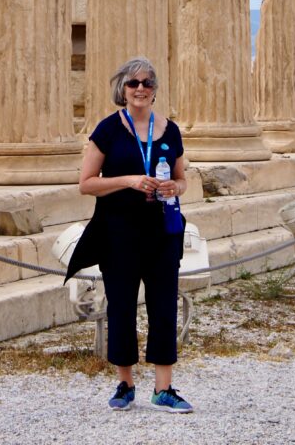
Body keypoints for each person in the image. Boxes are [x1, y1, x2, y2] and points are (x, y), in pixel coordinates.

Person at [66, 56, 193, 413]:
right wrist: (129, 181)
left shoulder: (169, 130)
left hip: (162, 231)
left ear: (155, 91)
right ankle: (125, 382)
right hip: (118, 231)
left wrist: (174, 187)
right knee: (122, 305)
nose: (140, 89)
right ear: (122, 89)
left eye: (147, 83)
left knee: (164, 304)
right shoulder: (108, 129)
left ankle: (164, 387)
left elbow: (183, 179)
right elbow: (86, 184)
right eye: (133, 83)